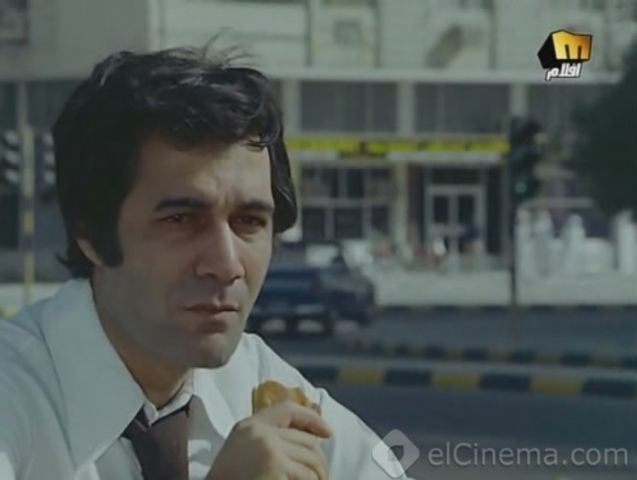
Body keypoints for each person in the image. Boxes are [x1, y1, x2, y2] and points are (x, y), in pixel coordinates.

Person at [0, 46, 409, 479]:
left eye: (249, 221)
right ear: (91, 236)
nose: (227, 264)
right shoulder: (16, 394)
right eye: (181, 220)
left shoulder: (261, 381)